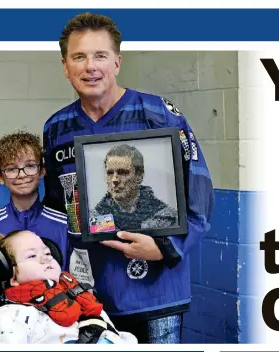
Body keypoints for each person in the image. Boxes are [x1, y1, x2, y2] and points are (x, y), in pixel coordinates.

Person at [42, 12, 215, 343]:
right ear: (65, 66)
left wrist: (166, 248)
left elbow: (200, 193)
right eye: (79, 56)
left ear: (117, 63)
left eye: (100, 56)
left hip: (156, 293)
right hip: (88, 298)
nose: (90, 66)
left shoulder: (158, 115)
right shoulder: (56, 128)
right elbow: (56, 209)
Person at [0, 230, 137, 344]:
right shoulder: (10, 315)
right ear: (11, 275)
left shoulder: (79, 297)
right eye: (32, 256)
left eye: (48, 253)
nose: (45, 258)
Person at [0, 131, 69, 269]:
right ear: (0, 177)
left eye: (30, 166)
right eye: (11, 168)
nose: (22, 175)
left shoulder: (63, 224)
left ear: (42, 171)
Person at [92, 144, 177, 230]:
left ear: (139, 176)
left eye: (122, 172)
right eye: (109, 173)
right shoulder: (97, 217)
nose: (114, 180)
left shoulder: (165, 216)